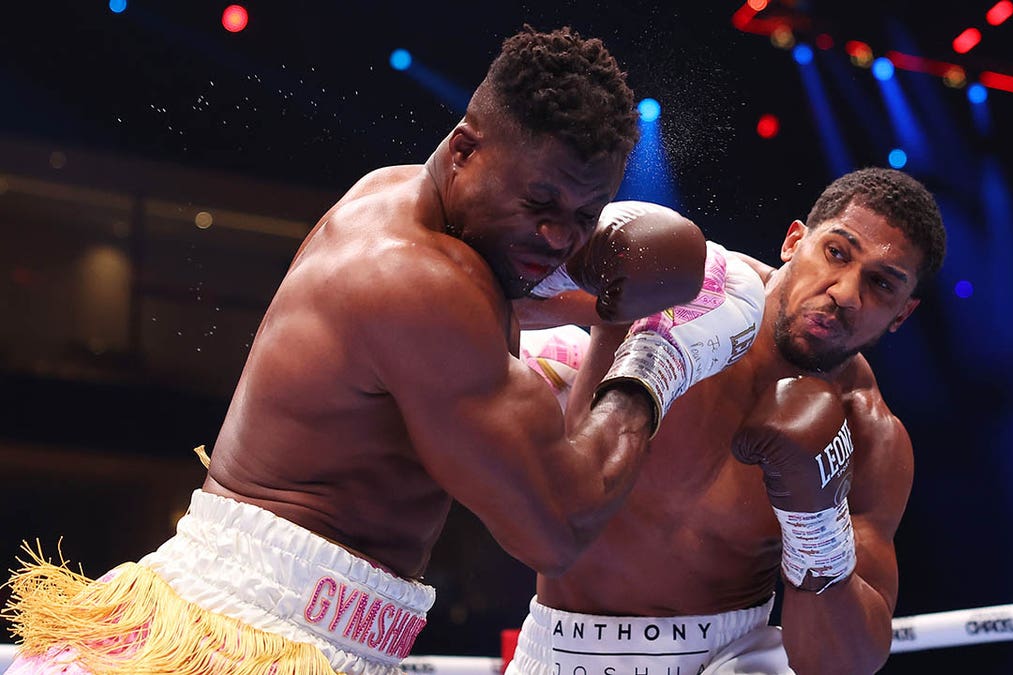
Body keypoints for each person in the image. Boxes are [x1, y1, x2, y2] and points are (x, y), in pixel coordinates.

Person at [3, 26, 765, 675]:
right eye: (540, 204)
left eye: (585, 213)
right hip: (251, 639)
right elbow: (555, 529)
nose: (561, 237)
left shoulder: (410, 202)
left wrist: (729, 282)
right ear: (465, 151)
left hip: (294, 622)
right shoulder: (419, 283)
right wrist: (654, 362)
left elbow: (549, 287)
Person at [510, 167, 947, 675]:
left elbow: (843, 663)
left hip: (730, 657)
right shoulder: (683, 288)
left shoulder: (870, 434)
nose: (847, 293)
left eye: (880, 284)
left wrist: (818, 528)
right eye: (837, 253)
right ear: (794, 241)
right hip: (559, 644)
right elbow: (499, 297)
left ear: (902, 313)